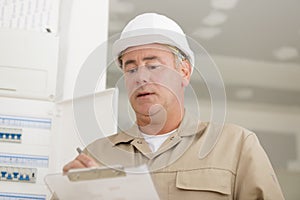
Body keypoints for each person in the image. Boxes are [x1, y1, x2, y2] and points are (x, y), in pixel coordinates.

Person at [63, 13, 284, 199]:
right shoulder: (97, 156)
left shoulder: (235, 145)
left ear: (184, 72)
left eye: (153, 66)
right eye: (131, 69)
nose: (141, 77)